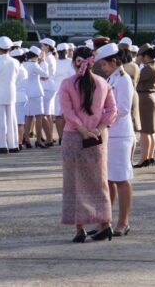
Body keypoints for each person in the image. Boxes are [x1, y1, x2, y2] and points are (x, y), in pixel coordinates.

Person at [59, 47, 117, 243]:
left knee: (74, 183)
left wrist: (82, 130)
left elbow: (67, 112)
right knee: (99, 181)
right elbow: (112, 110)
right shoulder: (103, 83)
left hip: (74, 137)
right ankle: (105, 223)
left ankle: (79, 228)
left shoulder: (67, 84)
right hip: (98, 137)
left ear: (74, 61)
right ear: (92, 62)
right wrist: (98, 130)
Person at [94, 44, 135, 237]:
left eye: (104, 64)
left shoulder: (123, 79)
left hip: (120, 134)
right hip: (109, 133)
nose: (103, 68)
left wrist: (102, 116)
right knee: (108, 180)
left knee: (121, 179)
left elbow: (124, 108)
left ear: (114, 61)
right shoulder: (111, 78)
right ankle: (105, 221)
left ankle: (123, 222)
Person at [0, 37, 21, 154]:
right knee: (12, 119)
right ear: (10, 48)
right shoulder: (15, 62)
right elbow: (16, 78)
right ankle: (13, 145)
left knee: (0, 120)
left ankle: (2, 145)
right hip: (11, 92)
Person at [134, 46, 155, 168]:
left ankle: (143, 159)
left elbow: (135, 80)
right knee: (151, 131)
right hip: (152, 98)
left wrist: (135, 64)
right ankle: (149, 157)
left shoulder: (148, 69)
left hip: (145, 99)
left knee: (145, 131)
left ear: (144, 56)